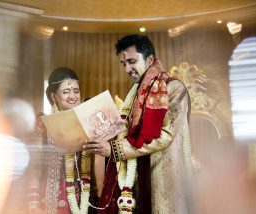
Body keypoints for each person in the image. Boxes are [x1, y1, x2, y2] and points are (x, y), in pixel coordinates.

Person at [84, 34, 193, 213]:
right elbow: (127, 130)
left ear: (150, 59)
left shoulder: (172, 88)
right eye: (124, 64)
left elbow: (163, 137)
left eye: (132, 61)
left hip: (164, 178)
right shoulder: (138, 91)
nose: (127, 69)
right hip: (138, 177)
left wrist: (114, 149)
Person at [26, 67, 96, 214]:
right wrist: (33, 203)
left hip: (82, 199)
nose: (73, 96)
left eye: (76, 91)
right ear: (53, 96)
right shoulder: (42, 125)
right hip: (49, 201)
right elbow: (34, 168)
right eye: (66, 92)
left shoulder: (88, 123)